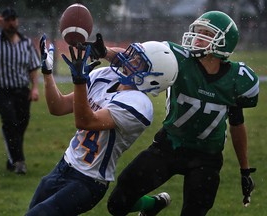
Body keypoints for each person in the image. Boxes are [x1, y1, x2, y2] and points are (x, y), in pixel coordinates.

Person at [86, 10, 259, 216]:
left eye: (206, 34)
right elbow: (133, 61)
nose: (197, 38)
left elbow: (237, 123)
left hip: (207, 158)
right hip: (169, 146)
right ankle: (152, 206)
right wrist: (104, 51)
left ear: (225, 42)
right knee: (118, 203)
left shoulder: (238, 79)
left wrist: (244, 169)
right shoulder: (178, 59)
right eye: (198, 32)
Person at [25, 34, 178, 216]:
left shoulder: (139, 105)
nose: (130, 60)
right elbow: (58, 107)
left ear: (152, 78)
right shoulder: (106, 76)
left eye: (139, 61)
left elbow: (85, 121)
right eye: (134, 55)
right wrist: (48, 73)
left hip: (88, 181)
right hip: (63, 165)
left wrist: (80, 81)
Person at [0, 7, 40, 174]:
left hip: (22, 91)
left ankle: (12, 157)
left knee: (20, 126)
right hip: (1, 91)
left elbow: (33, 67)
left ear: (17, 21)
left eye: (13, 19)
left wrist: (34, 88)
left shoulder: (26, 43)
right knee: (10, 122)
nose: (11, 23)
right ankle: (19, 162)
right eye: (7, 20)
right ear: (2, 22)